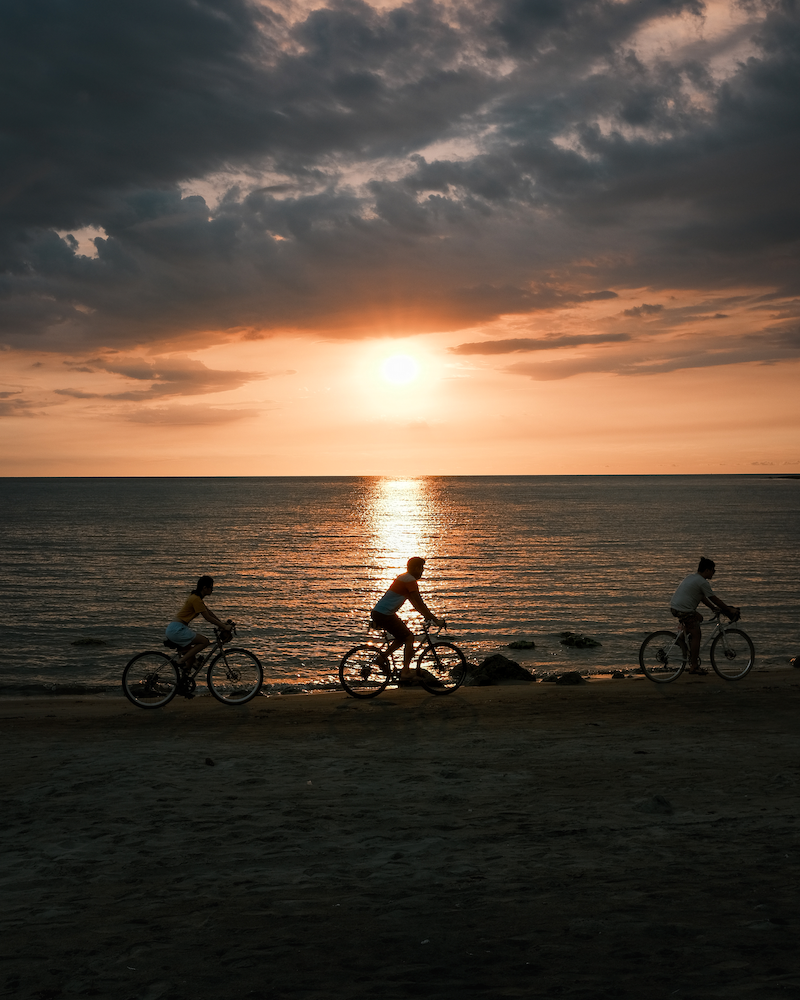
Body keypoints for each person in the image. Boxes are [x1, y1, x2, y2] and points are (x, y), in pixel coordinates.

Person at [371, 556, 443, 685]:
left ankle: (381, 659)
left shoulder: (403, 578)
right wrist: (435, 620)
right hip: (385, 614)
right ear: (415, 568)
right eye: (421, 568)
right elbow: (420, 603)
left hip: (381, 613)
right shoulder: (409, 580)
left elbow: (415, 603)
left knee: (402, 638)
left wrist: (427, 615)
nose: (423, 571)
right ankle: (405, 672)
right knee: (409, 637)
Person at [670, 557, 740, 675]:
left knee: (699, 618)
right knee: (697, 634)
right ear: (707, 570)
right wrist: (728, 609)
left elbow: (702, 597)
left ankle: (682, 639)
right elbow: (714, 598)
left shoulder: (692, 577)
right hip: (684, 610)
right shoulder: (702, 582)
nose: (714, 573)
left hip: (675, 607)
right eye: (713, 570)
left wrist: (712, 608)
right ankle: (694, 666)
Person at [165, 575, 232, 670]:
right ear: (205, 588)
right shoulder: (196, 599)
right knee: (204, 642)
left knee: (191, 659)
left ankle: (184, 679)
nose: (212, 590)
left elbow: (208, 612)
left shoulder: (196, 598)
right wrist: (224, 627)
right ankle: (180, 661)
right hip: (177, 629)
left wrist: (222, 624)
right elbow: (207, 617)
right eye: (211, 587)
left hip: (176, 628)